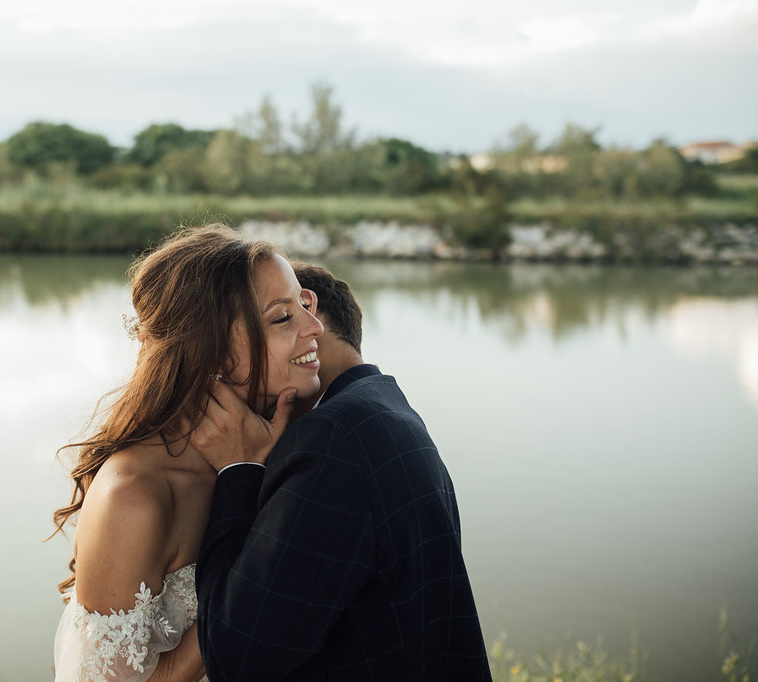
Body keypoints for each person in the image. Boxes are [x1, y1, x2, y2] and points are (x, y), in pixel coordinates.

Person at [190, 262, 492, 681]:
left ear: (315, 319)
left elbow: (235, 658)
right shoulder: (389, 410)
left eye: (289, 315)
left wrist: (239, 469)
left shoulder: (331, 440)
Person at [51, 225, 325, 681]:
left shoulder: (280, 440)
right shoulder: (133, 496)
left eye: (305, 304)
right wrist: (251, 562)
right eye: (282, 318)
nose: (315, 327)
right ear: (210, 348)